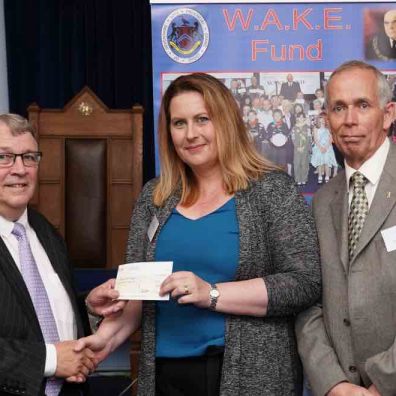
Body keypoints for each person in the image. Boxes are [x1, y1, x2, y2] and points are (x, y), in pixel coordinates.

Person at [79, 72, 321, 395]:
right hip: (164, 374)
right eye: (179, 123)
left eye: (202, 119)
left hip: (248, 374)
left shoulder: (272, 190)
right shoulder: (155, 199)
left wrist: (212, 294)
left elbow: (304, 283)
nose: (190, 134)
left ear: (227, 122)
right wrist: (103, 335)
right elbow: (141, 297)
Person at [296, 60, 396, 396]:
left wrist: (383, 384)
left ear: (389, 114)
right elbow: (308, 301)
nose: (349, 119)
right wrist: (334, 384)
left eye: (363, 105)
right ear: (327, 120)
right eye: (339, 108)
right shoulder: (323, 201)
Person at [0, 114, 96, 396]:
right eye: (5, 157)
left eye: (29, 157)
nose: (20, 169)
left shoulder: (46, 231)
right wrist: (51, 360)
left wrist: (88, 307)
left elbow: (41, 314)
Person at [310, 114, 338, 184]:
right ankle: (320, 176)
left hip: (327, 148)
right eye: (320, 120)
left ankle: (327, 177)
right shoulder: (315, 129)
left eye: (323, 120)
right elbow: (315, 139)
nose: (322, 122)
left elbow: (330, 139)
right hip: (319, 148)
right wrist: (321, 147)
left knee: (327, 162)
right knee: (320, 163)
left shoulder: (327, 129)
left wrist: (326, 147)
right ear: (318, 121)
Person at [291, 112, 311, 186]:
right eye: (299, 117)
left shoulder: (307, 127)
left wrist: (305, 147)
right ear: (297, 118)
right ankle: (298, 179)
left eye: (303, 117)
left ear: (305, 118)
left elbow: (309, 138)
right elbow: (293, 138)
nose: (301, 118)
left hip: (305, 149)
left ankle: (304, 179)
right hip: (297, 149)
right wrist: (297, 147)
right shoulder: (294, 127)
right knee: (297, 163)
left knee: (304, 164)